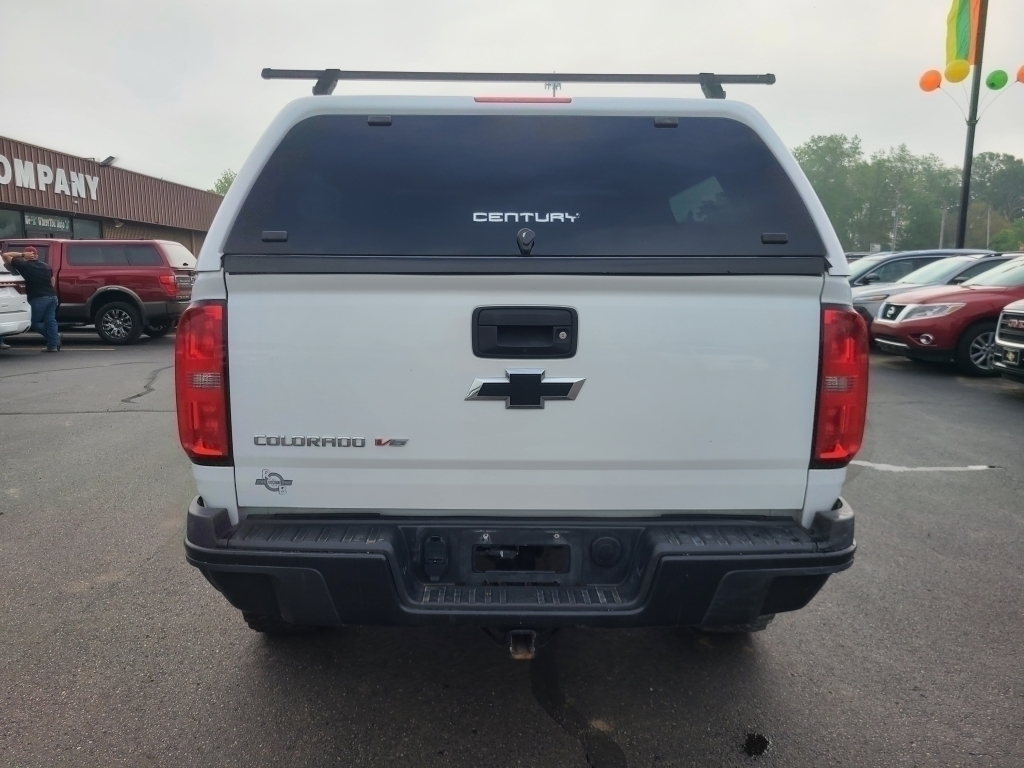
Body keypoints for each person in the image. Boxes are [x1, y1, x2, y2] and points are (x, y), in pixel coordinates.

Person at [1, 246, 61, 352]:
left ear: (27, 255)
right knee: (50, 320)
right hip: (52, 297)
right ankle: (52, 345)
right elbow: (52, 278)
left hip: (39, 298)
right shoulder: (45, 265)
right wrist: (50, 290)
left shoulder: (23, 265)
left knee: (34, 322)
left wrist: (22, 255)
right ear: (36, 255)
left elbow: (5, 255)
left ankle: (54, 339)